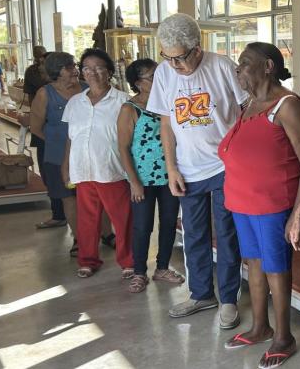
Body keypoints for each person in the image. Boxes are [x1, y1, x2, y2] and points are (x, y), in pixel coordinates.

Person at [218, 42, 300, 368]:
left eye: (245, 63)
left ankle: (283, 337)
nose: (238, 70)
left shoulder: (287, 106)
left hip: (272, 205)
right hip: (242, 203)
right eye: (238, 64)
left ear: (268, 66)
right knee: (255, 265)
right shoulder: (249, 104)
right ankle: (260, 327)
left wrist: (298, 215)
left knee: (276, 268)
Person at [146, 13, 247, 329]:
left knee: (227, 236)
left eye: (180, 57)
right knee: (194, 236)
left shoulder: (222, 66)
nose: (175, 65)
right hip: (187, 170)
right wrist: (171, 168)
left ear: (197, 47)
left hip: (224, 167)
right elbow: (166, 123)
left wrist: (240, 160)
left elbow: (247, 111)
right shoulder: (164, 73)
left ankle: (228, 299)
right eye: (168, 57)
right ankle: (202, 294)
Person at [61, 48, 133, 279]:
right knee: (87, 220)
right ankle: (88, 260)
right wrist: (66, 166)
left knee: (122, 220)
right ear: (81, 73)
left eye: (99, 67)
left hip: (112, 170)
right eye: (87, 68)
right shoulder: (75, 103)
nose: (92, 72)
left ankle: (129, 261)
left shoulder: (123, 101)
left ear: (109, 71)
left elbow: (130, 140)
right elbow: (71, 138)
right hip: (82, 170)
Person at [117, 58, 185, 293]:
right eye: (152, 76)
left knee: (168, 223)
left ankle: (162, 267)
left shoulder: (169, 102)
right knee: (142, 226)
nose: (159, 80)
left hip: (170, 175)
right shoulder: (130, 108)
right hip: (143, 179)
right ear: (138, 83)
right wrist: (134, 181)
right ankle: (138, 272)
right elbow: (123, 148)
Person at [30, 52, 87, 256]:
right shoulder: (45, 93)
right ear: (57, 70)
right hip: (57, 156)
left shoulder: (87, 88)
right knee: (68, 198)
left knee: (93, 197)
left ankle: (105, 234)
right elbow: (35, 127)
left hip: (88, 154)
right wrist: (58, 142)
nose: (75, 70)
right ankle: (79, 239)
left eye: (74, 65)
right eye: (69, 67)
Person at [24, 46, 68, 230]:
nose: (40, 66)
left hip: (64, 140)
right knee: (51, 177)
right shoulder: (38, 82)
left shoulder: (80, 87)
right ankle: (58, 214)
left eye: (45, 63)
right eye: (40, 62)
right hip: (46, 137)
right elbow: (30, 100)